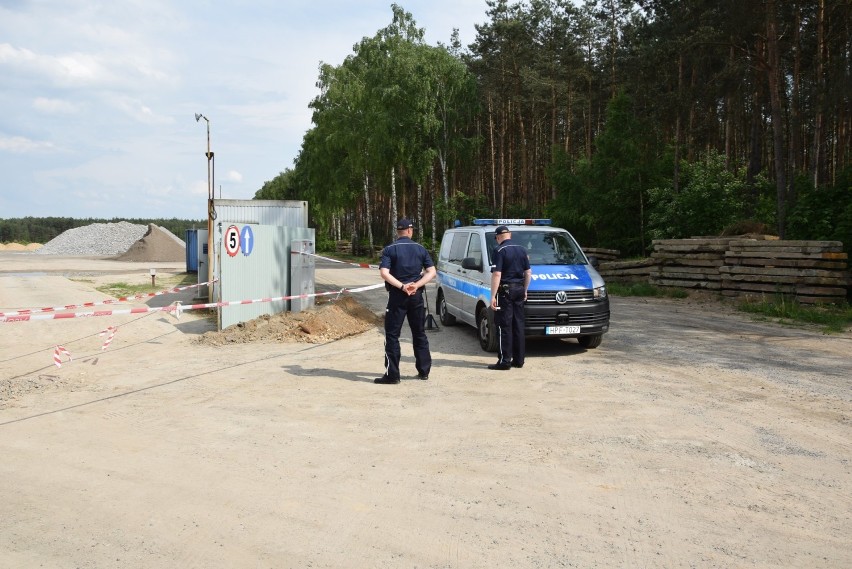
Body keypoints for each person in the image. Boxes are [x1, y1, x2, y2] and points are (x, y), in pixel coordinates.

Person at [374, 218, 436, 384]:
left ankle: (393, 375)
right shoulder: (420, 249)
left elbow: (384, 273)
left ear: (398, 232)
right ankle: (424, 371)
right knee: (419, 333)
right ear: (410, 231)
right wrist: (416, 285)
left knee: (392, 335)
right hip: (416, 296)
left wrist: (402, 287)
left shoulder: (389, 249)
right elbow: (432, 272)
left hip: (397, 296)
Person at [488, 225, 532, 370]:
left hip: (505, 292)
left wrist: (493, 296)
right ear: (510, 235)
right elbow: (528, 272)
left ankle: (504, 361)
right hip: (519, 289)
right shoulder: (522, 249)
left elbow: (497, 274)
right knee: (518, 325)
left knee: (504, 325)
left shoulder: (499, 250)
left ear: (498, 237)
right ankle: (519, 360)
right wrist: (525, 290)